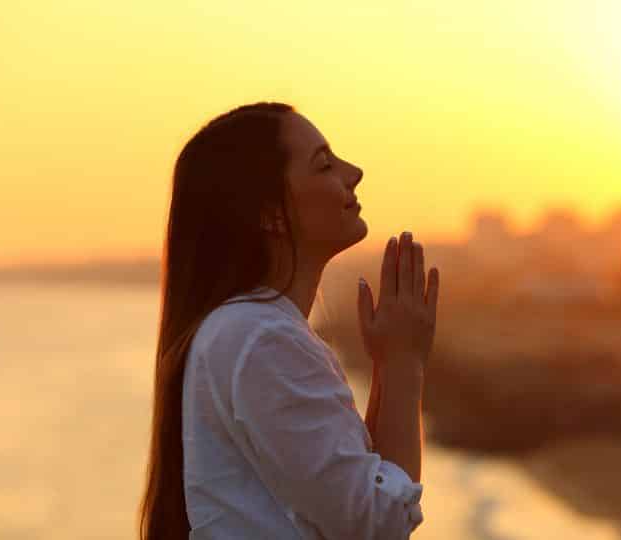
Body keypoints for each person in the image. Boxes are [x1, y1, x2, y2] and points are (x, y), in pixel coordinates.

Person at [137, 101, 440, 540]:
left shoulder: (248, 331)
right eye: (323, 165)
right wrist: (403, 364)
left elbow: (359, 498)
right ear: (269, 213)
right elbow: (378, 523)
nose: (353, 172)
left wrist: (390, 364)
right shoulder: (260, 337)